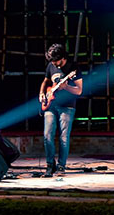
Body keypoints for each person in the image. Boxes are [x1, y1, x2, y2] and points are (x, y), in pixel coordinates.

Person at [38, 43, 83, 177]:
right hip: (51, 104)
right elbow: (45, 81)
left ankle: (61, 166)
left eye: (56, 61)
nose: (54, 63)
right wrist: (42, 93)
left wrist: (66, 87)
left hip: (67, 106)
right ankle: (49, 165)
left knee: (64, 137)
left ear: (63, 57)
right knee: (47, 135)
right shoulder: (51, 65)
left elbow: (79, 90)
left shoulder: (73, 67)